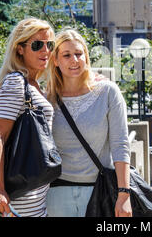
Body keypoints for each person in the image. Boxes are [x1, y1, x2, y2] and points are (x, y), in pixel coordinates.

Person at [46, 28, 132, 217]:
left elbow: (120, 144)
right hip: (55, 194)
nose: (74, 60)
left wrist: (124, 194)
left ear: (86, 56)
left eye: (79, 54)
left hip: (100, 191)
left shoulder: (107, 92)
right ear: (56, 60)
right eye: (67, 55)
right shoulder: (46, 99)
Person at [0, 17, 56, 217]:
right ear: (20, 48)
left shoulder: (34, 85)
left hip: (36, 193)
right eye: (37, 45)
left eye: (50, 44)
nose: (45, 50)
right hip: (21, 197)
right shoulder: (16, 82)